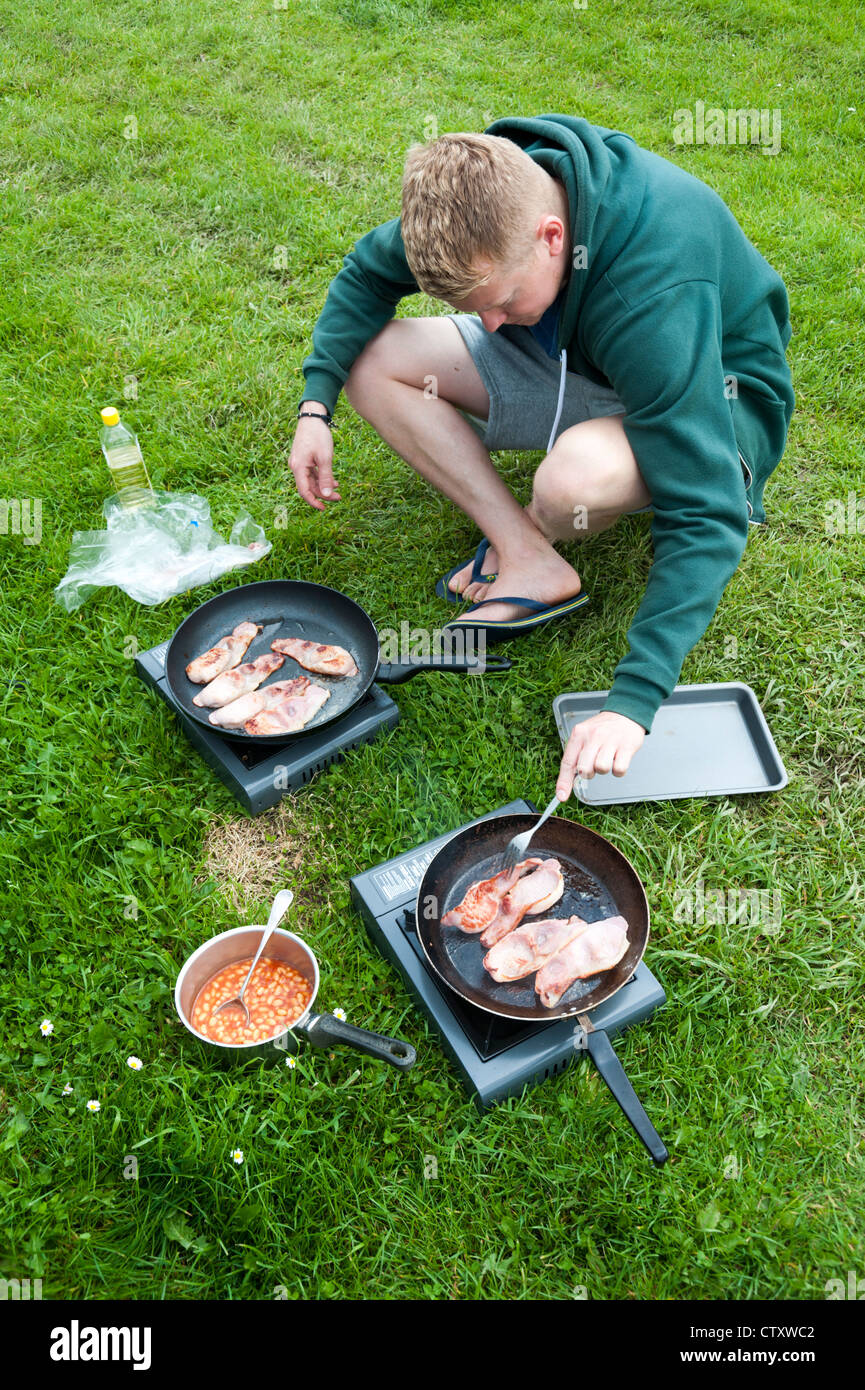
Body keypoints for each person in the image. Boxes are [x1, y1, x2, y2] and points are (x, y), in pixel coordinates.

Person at [288, 115, 794, 799]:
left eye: (496, 303)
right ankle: (527, 553)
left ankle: (544, 518)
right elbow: (366, 271)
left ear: (552, 238)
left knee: (571, 480)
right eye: (471, 308)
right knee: (373, 361)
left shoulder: (650, 286)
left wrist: (632, 701)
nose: (486, 324)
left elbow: (706, 509)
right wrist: (315, 406)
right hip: (571, 356)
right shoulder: (480, 212)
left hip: (708, 392)